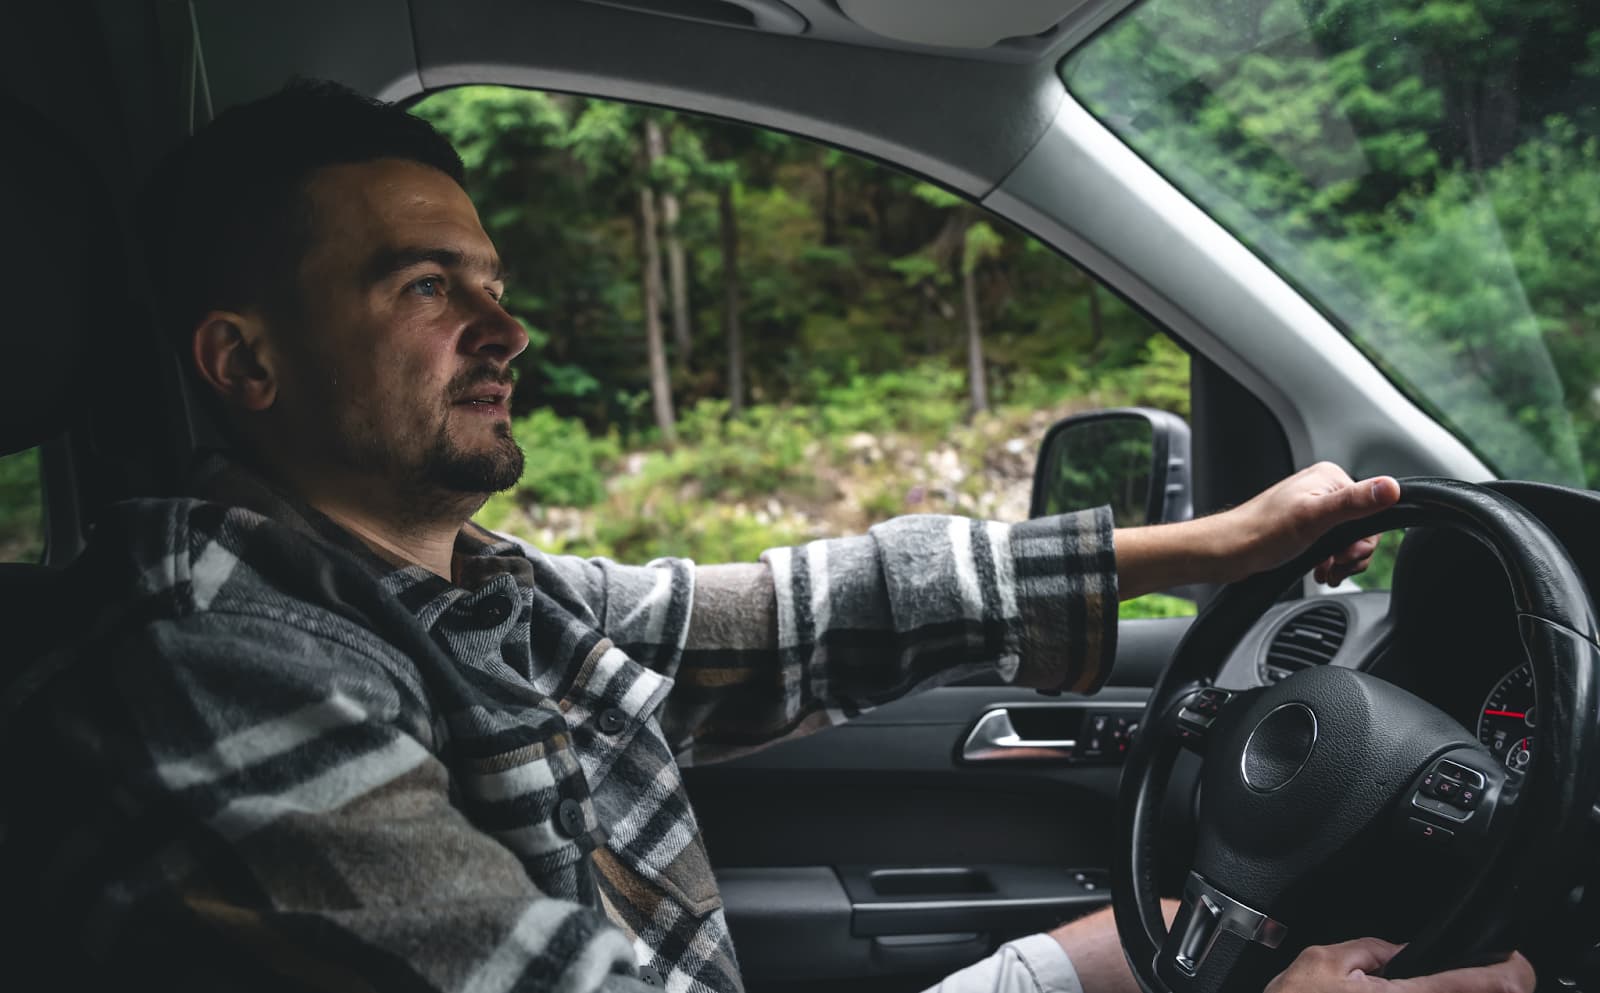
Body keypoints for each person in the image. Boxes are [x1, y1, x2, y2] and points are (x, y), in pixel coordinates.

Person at [0, 81, 1532, 993]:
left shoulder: (457, 592)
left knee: (1163, 937)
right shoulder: (207, 663)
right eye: (423, 287)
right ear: (242, 363)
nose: (507, 328)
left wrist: (1203, 548)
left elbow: (790, 614)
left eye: (491, 281)